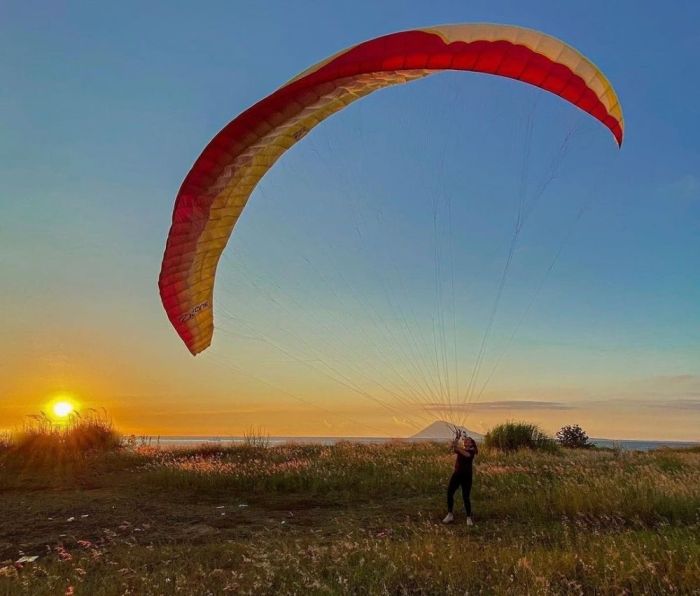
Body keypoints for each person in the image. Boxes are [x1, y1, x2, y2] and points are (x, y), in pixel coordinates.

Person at [443, 432, 478, 525]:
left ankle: (468, 518)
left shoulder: (472, 450)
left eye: (468, 440)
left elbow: (466, 455)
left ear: (471, 443)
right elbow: (453, 447)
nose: (466, 441)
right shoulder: (460, 449)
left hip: (467, 476)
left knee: (465, 496)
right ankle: (450, 514)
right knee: (449, 493)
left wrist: (457, 446)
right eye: (465, 440)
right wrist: (457, 438)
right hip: (457, 475)